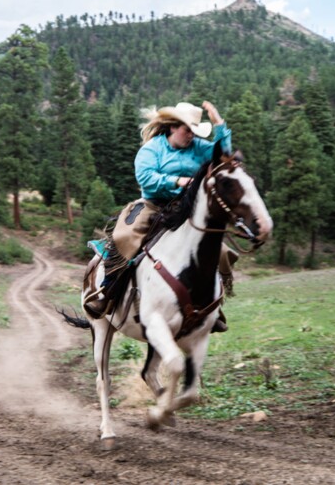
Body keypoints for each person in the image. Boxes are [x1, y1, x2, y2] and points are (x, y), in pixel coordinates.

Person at [87, 101, 238, 329]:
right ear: (173, 128)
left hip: (188, 209)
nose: (191, 136)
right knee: (124, 238)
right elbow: (146, 178)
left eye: (195, 131)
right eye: (188, 130)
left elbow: (224, 154)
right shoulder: (152, 149)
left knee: (217, 249)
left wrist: (219, 123)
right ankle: (107, 292)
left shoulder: (199, 146)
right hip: (154, 204)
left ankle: (211, 307)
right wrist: (176, 181)